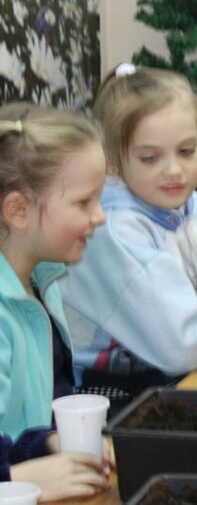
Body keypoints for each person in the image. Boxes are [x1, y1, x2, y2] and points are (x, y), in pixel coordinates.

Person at [59, 65, 197, 399]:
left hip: (186, 375)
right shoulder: (113, 231)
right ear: (112, 161)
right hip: (115, 396)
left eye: (186, 151)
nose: (174, 170)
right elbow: (183, 346)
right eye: (149, 158)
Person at [0, 105, 112, 499]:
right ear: (18, 210)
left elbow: (37, 412)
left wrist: (49, 442)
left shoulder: (40, 283)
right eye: (84, 203)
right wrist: (14, 479)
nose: (99, 216)